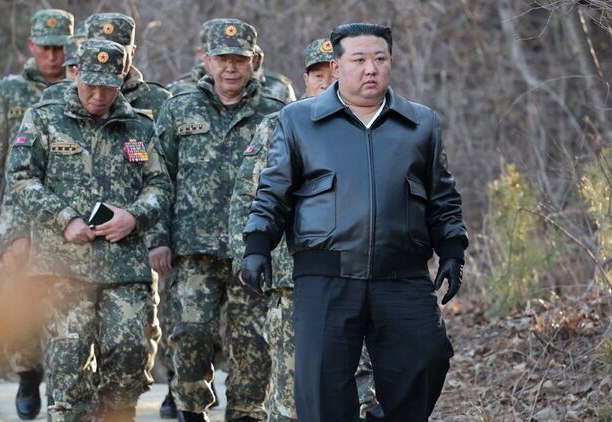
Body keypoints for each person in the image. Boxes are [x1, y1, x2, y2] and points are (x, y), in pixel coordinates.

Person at [242, 23, 467, 422]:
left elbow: (442, 196)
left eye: (380, 59)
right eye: (359, 59)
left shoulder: (421, 123)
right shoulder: (298, 120)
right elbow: (273, 191)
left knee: (427, 358)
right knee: (321, 389)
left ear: (391, 63)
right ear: (336, 66)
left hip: (402, 275)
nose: (371, 69)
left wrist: (452, 249)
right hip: (326, 276)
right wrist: (257, 244)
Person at [6, 39, 172, 421]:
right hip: (63, 265)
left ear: (123, 78)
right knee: (69, 362)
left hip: (124, 266)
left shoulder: (140, 126)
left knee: (130, 354)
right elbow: (21, 176)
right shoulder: (44, 117)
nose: (98, 95)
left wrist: (134, 216)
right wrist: (65, 220)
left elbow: (160, 186)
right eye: (91, 85)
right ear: (76, 73)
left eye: (108, 86)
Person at [228, 37, 383, 422]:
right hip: (291, 282)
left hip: (357, 280)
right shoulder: (278, 126)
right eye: (317, 75)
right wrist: (246, 255)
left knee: (360, 386)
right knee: (291, 390)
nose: (325, 82)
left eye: (333, 73)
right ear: (305, 79)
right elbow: (246, 198)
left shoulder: (372, 127)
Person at [152, 18, 284, 422]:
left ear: (254, 61)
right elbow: (158, 178)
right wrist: (158, 237)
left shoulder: (277, 114)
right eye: (222, 59)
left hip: (254, 250)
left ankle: (246, 411)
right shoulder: (178, 108)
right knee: (190, 334)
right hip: (193, 248)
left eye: (239, 59)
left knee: (252, 342)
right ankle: (191, 408)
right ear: (206, 60)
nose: (230, 68)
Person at [0, 9, 73, 420]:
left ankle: (68, 381)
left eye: (60, 48)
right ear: (31, 45)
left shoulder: (84, 85)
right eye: (45, 47)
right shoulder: (10, 91)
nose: (53, 56)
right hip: (18, 206)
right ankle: (28, 372)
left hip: (68, 206)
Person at [85, 12, 172, 121]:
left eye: (119, 53)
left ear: (132, 52)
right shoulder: (70, 98)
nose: (111, 60)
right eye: (102, 53)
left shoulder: (158, 99)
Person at [166, 21, 211, 95]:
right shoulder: (179, 89)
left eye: (230, 58)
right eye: (219, 57)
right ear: (201, 53)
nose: (228, 66)